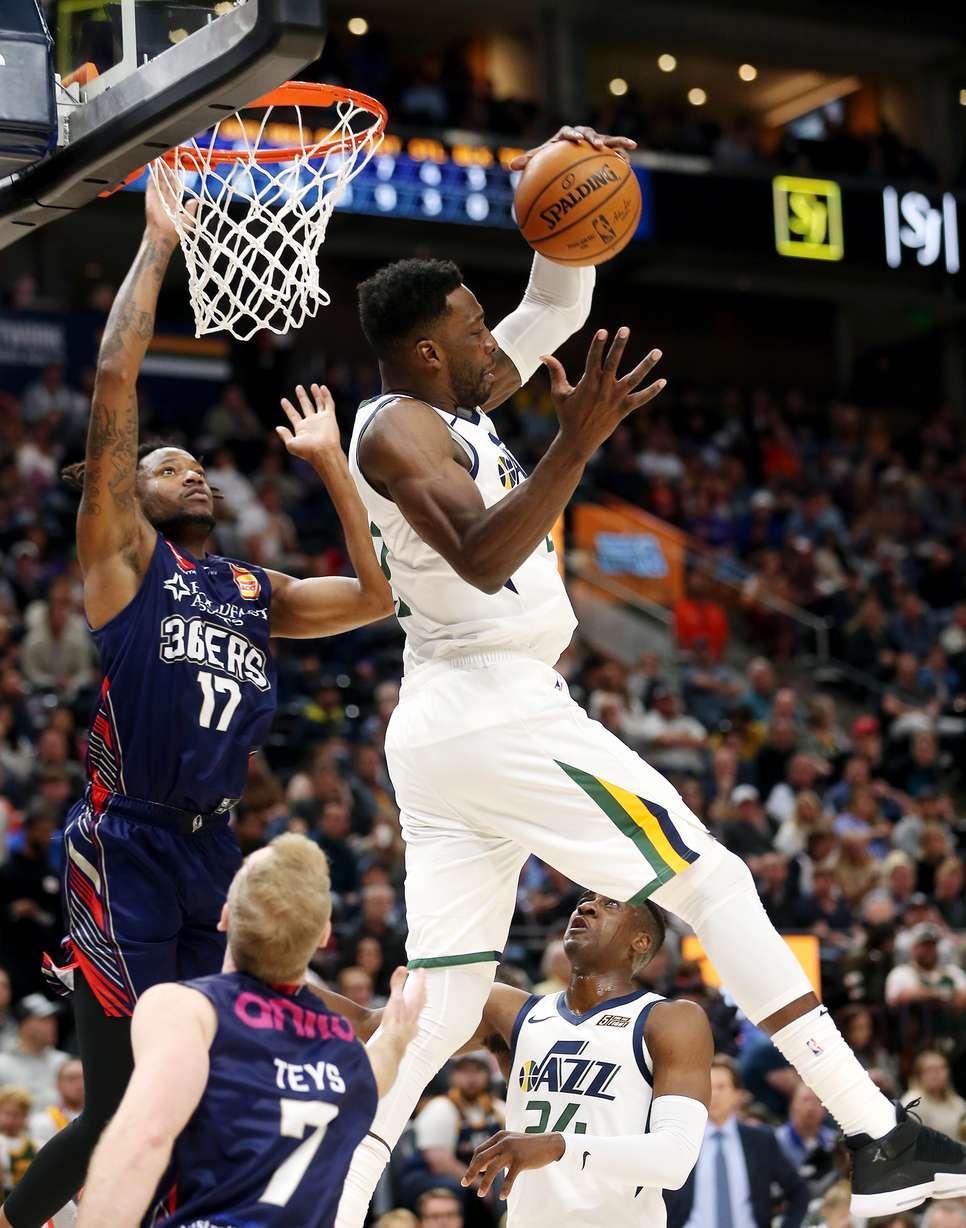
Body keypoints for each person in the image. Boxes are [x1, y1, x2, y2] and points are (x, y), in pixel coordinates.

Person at [337, 116, 966, 1227]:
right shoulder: (394, 430)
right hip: (490, 701)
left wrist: (567, 184)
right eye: (473, 326)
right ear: (428, 349)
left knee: (436, 1009)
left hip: (452, 722)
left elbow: (555, 305)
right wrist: (578, 438)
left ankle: (317, 1207)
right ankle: (875, 1132)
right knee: (712, 880)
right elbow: (482, 559)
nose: (497, 338)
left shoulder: (456, 401)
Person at [0, 177, 393, 1228]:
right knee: (130, 1094)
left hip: (214, 851)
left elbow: (374, 595)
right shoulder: (123, 564)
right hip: (123, 845)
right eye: (167, 467)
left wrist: (329, 470)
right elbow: (115, 378)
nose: (192, 473)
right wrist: (159, 243)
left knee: (205, 1077)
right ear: (132, 492)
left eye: (197, 465)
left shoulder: (253, 592)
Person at [75, 834, 425, 1228]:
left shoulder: (188, 1009)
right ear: (324, 936)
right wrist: (398, 1031)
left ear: (224, 916)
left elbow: (143, 1140)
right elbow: (382, 1065)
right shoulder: (347, 1055)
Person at [322, 889, 712, 1228]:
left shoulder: (670, 1019)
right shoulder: (508, 1009)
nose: (587, 908)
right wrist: (273, 972)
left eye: (609, 904)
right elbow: (377, 1028)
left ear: (641, 942)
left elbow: (675, 1159)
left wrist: (558, 1145)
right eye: (585, 900)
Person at [664, 1055, 808, 1228]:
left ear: (737, 1094)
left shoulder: (761, 1140)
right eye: (708, 1087)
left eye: (721, 1087)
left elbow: (799, 1190)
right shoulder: (680, 1140)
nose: (714, 1094)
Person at [0, 998, 68, 1109]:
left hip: (65, 1125)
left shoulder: (64, 1062)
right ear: (23, 1025)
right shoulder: (2, 1065)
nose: (53, 1025)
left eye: (53, 1020)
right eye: (44, 1020)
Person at [901, 1052, 966, 1141]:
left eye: (942, 1067)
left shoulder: (958, 1102)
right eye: (930, 1069)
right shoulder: (913, 1101)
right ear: (919, 1074)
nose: (936, 1073)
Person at [29, 1058, 83, 1146]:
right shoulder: (43, 1121)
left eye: (83, 1078)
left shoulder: (103, 1117)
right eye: (71, 1079)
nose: (79, 1085)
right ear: (58, 1084)